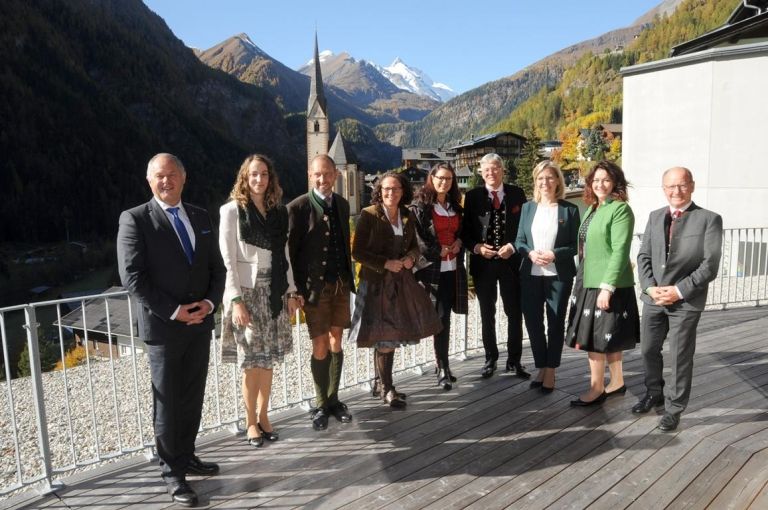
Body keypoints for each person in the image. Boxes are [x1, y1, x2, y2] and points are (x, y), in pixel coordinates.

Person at [117, 153, 225, 507]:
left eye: (172, 174)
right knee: (167, 403)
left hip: (200, 324)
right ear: (150, 181)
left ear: (184, 177)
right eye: (159, 176)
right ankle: (172, 474)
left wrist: (209, 303)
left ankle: (187, 455)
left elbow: (217, 268)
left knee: (192, 396)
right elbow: (133, 278)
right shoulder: (134, 219)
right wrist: (176, 312)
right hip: (164, 328)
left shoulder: (200, 216)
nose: (166, 181)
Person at [219, 154, 301, 447]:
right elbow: (228, 261)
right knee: (251, 363)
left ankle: (265, 416)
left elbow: (284, 255)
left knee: (268, 362)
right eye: (254, 174)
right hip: (248, 295)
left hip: (274, 293)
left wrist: (291, 292)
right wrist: (236, 301)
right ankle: (250, 422)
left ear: (270, 178)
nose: (259, 179)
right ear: (245, 177)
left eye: (264, 174)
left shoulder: (278, 212)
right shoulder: (231, 211)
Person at [634, 167, 723, 431]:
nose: (676, 191)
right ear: (664, 189)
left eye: (682, 185)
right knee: (648, 349)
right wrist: (650, 288)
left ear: (692, 186)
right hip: (654, 298)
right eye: (671, 186)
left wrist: (679, 291)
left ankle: (674, 409)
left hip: (685, 301)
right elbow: (644, 256)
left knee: (679, 357)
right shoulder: (655, 216)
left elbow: (710, 265)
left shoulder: (709, 219)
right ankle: (654, 393)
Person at [350, 171, 442, 407]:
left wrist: (411, 258)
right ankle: (387, 389)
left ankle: (380, 383)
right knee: (385, 337)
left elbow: (414, 247)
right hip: (376, 284)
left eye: (396, 189)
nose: (391, 193)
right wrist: (385, 263)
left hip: (399, 284)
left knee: (387, 335)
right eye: (387, 189)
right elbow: (357, 252)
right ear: (379, 191)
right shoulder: (369, 214)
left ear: (403, 191)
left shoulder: (407, 215)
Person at [288, 154, 355, 431]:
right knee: (320, 345)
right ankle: (320, 404)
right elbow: (290, 254)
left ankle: (333, 399)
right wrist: (294, 290)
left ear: (335, 175)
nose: (322, 179)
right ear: (310, 175)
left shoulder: (342, 204)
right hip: (314, 289)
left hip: (340, 284)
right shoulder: (297, 208)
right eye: (317, 174)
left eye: (327, 174)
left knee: (337, 340)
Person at [566, 160, 640, 406]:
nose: (600, 184)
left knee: (595, 337)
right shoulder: (594, 208)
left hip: (607, 282)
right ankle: (617, 382)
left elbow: (620, 250)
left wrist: (607, 288)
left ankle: (596, 388)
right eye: (596, 180)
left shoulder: (620, 210)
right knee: (606, 336)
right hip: (588, 277)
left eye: (606, 180)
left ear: (616, 183)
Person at [461, 153, 529, 379]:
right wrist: (477, 248)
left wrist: (513, 246)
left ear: (502, 170)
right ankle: (490, 359)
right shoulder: (472, 197)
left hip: (511, 264)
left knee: (514, 312)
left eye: (495, 168)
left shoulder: (517, 193)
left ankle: (514, 360)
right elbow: (465, 232)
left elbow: (525, 228)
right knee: (486, 312)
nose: (491, 173)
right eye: (487, 169)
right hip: (483, 264)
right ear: (481, 172)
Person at [515, 161, 580, 393]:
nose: (545, 182)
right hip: (530, 274)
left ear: (558, 181)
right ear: (536, 181)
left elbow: (575, 245)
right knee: (533, 322)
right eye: (541, 178)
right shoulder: (527, 208)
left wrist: (554, 254)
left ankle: (551, 369)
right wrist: (530, 253)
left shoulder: (569, 210)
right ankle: (541, 366)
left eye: (550, 177)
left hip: (558, 276)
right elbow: (519, 241)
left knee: (555, 322)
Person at [409, 162, 468, 390]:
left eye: (449, 179)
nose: (444, 182)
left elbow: (462, 232)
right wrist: (437, 250)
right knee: (440, 318)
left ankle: (443, 365)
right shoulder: (421, 206)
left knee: (445, 318)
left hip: (453, 269)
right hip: (432, 270)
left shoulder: (455, 206)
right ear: (431, 179)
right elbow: (418, 239)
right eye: (440, 178)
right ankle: (442, 367)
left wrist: (459, 242)